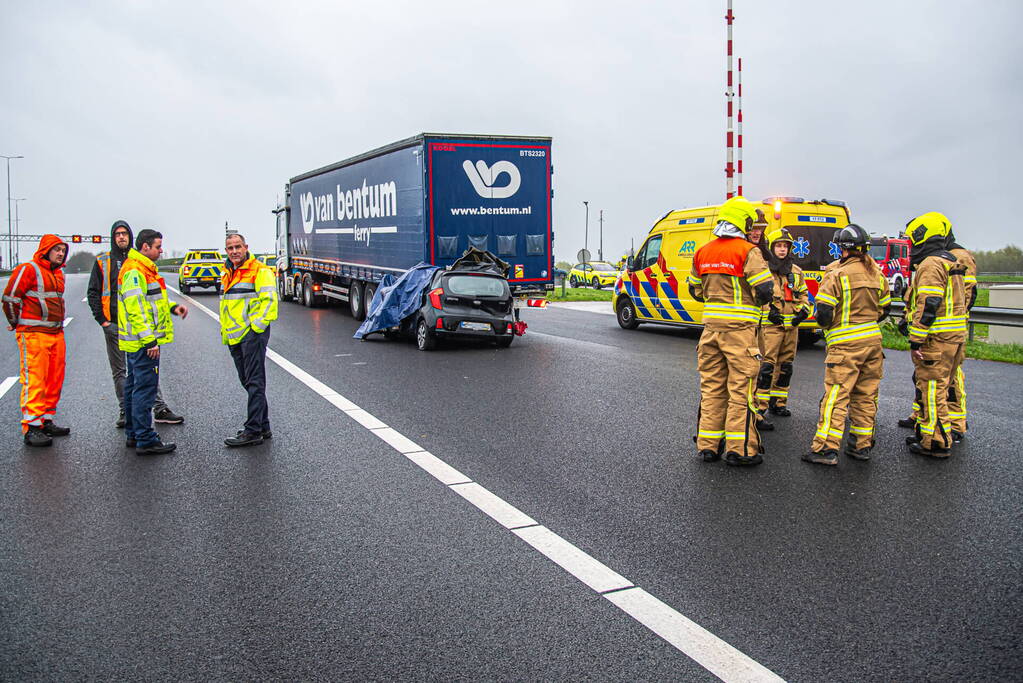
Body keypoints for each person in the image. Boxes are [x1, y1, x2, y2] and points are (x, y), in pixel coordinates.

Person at [687, 196, 774, 466]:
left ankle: (708, 446)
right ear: (742, 222)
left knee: (712, 388)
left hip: (710, 331)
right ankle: (740, 450)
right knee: (741, 390)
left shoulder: (703, 251)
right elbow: (765, 290)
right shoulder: (747, 251)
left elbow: (695, 290)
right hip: (740, 334)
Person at [803, 224, 891, 466]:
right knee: (865, 395)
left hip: (845, 345)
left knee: (837, 396)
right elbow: (885, 309)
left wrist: (832, 326)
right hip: (873, 343)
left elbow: (823, 312)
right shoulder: (877, 274)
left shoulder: (837, 274)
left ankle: (825, 449)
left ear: (841, 248)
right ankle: (861, 446)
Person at [87, 220, 184, 428]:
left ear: (131, 238)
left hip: (137, 328)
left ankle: (157, 409)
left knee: (142, 372)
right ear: (113, 237)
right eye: (117, 234)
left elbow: (151, 296)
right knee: (125, 372)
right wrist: (102, 320)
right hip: (115, 324)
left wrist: (172, 307)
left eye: (125, 234)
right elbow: (94, 292)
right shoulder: (106, 261)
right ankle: (127, 412)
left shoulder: (140, 263)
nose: (121, 237)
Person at [901, 213, 967, 457]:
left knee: (932, 389)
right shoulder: (951, 260)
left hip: (937, 339)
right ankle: (933, 432)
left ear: (921, 236)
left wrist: (916, 337)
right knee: (945, 386)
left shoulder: (930, 264)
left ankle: (936, 441)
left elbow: (929, 302)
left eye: (911, 240)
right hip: (955, 337)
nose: (910, 245)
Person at [118, 229, 188, 456]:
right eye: (158, 246)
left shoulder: (142, 269)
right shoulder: (135, 272)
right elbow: (136, 309)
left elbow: (152, 302)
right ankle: (146, 439)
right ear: (145, 247)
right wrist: (150, 342)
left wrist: (172, 308)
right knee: (144, 390)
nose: (161, 250)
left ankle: (133, 433)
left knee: (133, 387)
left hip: (136, 341)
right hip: (142, 342)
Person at [2, 235, 71, 446]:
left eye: (63, 250)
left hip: (55, 334)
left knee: (54, 379)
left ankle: (46, 420)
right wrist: (17, 323)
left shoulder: (58, 274)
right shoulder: (28, 269)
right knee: (35, 380)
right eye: (56, 249)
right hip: (33, 334)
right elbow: (10, 298)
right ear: (46, 250)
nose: (60, 253)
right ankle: (32, 427)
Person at [220, 233, 278, 447]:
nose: (234, 251)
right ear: (226, 251)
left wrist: (255, 329)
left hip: (251, 335)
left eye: (238, 247)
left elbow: (270, 303)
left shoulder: (259, 271)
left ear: (246, 247)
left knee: (254, 382)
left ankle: (253, 430)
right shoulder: (227, 271)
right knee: (247, 380)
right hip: (235, 336)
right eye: (230, 248)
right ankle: (263, 425)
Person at [755, 228, 812, 425]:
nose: (782, 249)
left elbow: (804, 295)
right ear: (772, 248)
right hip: (771, 327)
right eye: (778, 246)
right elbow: (757, 294)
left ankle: (778, 402)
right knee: (767, 367)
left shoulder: (796, 272)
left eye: (785, 246)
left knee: (786, 366)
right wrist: (768, 309)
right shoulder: (764, 269)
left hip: (791, 328)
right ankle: (759, 408)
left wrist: (803, 311)